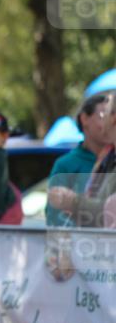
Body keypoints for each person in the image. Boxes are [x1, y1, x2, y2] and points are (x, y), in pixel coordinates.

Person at [48, 93, 116, 226]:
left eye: (104, 114)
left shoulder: (107, 158)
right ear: (84, 119)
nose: (102, 122)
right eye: (100, 115)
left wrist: (74, 202)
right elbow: (55, 217)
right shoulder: (106, 159)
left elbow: (110, 213)